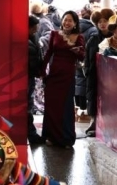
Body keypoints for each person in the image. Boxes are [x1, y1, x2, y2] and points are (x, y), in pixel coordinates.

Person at [41, 10, 85, 147]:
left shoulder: (79, 37)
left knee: (65, 107)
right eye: (65, 19)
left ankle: (66, 138)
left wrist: (78, 51)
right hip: (53, 75)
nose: (67, 23)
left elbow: (82, 56)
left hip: (67, 75)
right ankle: (51, 136)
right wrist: (42, 71)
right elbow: (48, 53)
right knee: (51, 106)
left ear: (75, 23)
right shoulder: (54, 34)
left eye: (70, 20)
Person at [83, 9, 115, 137]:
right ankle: (93, 121)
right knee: (92, 97)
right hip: (94, 73)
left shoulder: (114, 38)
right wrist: (86, 70)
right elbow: (86, 57)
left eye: (105, 21)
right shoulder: (93, 39)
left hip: (110, 75)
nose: (102, 24)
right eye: (99, 21)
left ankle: (108, 125)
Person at [28, 15, 45, 144]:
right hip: (26, 78)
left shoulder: (33, 38)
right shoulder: (27, 41)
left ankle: (32, 135)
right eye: (34, 27)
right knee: (27, 107)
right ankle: (32, 136)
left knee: (28, 106)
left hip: (30, 78)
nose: (36, 29)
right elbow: (31, 62)